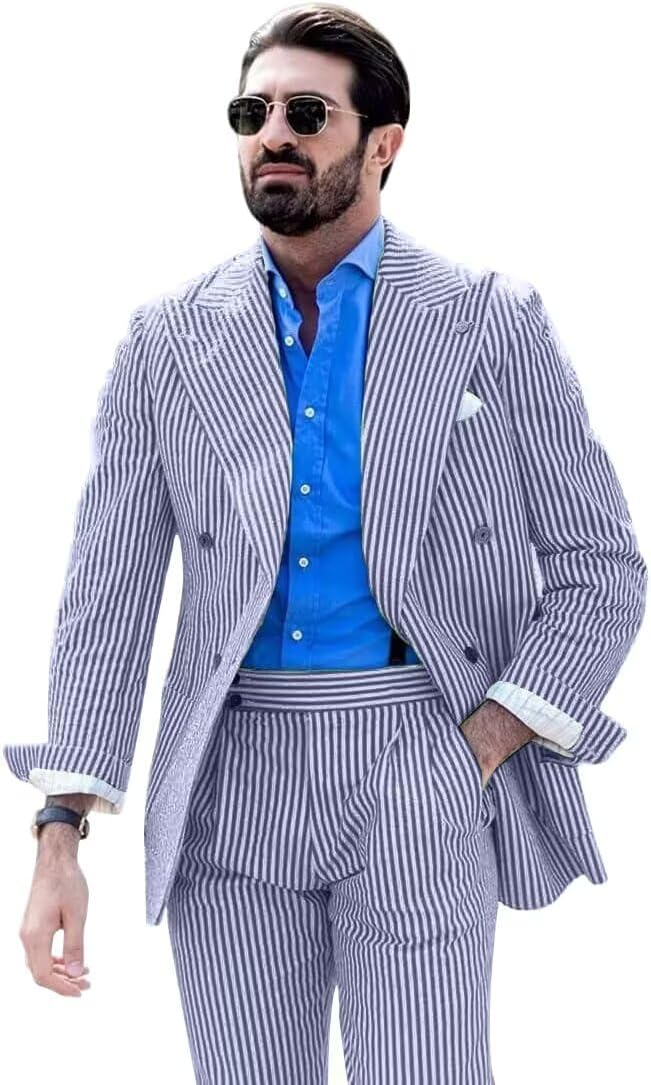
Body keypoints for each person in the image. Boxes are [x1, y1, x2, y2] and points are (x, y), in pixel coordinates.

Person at [4, 4, 647, 1082]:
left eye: (307, 113)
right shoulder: (166, 339)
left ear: (382, 143)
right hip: (229, 771)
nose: (272, 134)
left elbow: (601, 566)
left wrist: (484, 740)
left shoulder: (490, 317)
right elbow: (106, 596)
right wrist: (59, 828)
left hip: (418, 753)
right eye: (251, 113)